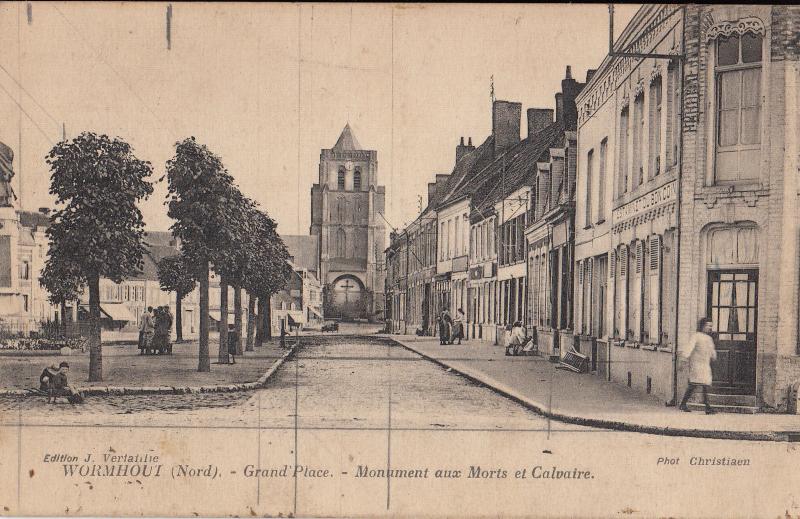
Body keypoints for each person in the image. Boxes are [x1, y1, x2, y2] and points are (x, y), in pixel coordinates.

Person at [678, 317, 717, 414]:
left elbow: (712, 350)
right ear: (703, 326)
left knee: (703, 384)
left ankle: (685, 404)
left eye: (711, 326)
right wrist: (683, 359)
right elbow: (689, 348)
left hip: (705, 364)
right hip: (696, 364)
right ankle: (706, 407)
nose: (710, 328)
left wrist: (713, 354)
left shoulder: (709, 338)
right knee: (695, 385)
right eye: (708, 325)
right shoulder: (696, 336)